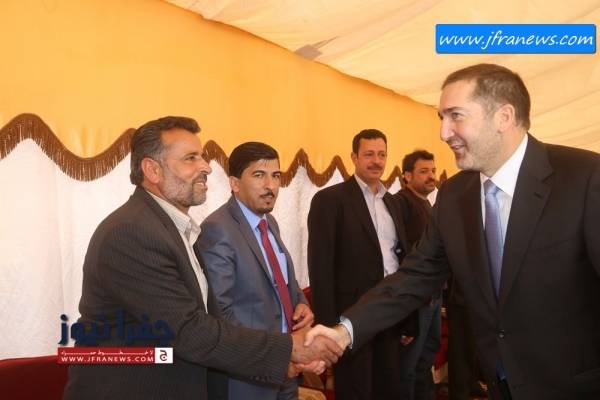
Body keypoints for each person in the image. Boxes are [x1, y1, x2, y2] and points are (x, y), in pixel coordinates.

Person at [307, 64, 600, 400]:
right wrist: (344, 331)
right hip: (502, 385)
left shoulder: (585, 177)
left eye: (455, 116)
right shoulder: (454, 195)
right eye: (441, 118)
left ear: (503, 116)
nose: (444, 133)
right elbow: (414, 277)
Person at [63, 116, 342, 400]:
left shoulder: (172, 228)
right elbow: (189, 331)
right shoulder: (133, 232)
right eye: (191, 158)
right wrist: (289, 348)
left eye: (203, 157)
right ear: (152, 170)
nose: (206, 167)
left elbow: (207, 320)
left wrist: (281, 361)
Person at [198, 141, 314, 400]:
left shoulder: (269, 221)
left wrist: (301, 302)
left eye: (276, 176)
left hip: (287, 364)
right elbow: (221, 313)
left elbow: (283, 280)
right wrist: (272, 359)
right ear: (234, 183)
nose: (271, 186)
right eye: (259, 175)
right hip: (249, 373)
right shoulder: (218, 229)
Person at [307, 129, 416, 400]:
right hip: (350, 317)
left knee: (389, 388)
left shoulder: (393, 202)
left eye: (382, 155)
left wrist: (408, 318)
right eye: (369, 154)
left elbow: (401, 261)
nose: (376, 161)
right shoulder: (329, 200)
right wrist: (329, 327)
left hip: (391, 312)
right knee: (356, 390)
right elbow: (320, 268)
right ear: (354, 158)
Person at [394, 150, 441, 400]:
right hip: (415, 297)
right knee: (409, 365)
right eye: (424, 172)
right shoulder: (401, 203)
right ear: (407, 176)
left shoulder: (426, 203)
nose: (431, 176)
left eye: (433, 171)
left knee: (427, 356)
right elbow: (401, 253)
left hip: (433, 293)